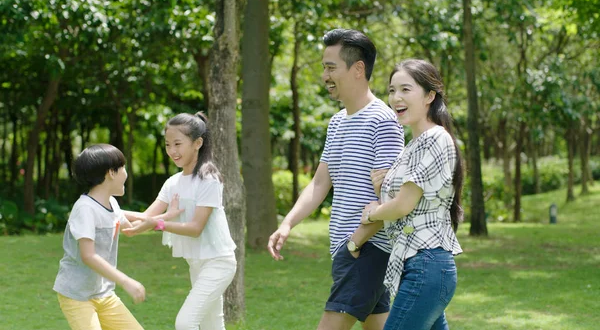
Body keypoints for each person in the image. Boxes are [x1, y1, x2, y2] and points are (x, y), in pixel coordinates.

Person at [268, 28, 405, 330]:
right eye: (323, 67)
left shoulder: (383, 121)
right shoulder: (338, 122)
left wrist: (355, 243)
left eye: (331, 67)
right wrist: (287, 223)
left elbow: (391, 196)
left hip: (368, 249)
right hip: (350, 250)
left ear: (358, 69)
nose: (325, 75)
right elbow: (319, 183)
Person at [360, 59, 464, 330]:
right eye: (392, 90)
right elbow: (399, 203)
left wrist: (371, 213)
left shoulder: (436, 138)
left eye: (406, 89)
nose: (396, 98)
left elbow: (403, 205)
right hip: (419, 266)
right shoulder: (413, 145)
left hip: (426, 265)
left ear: (430, 95)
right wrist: (381, 189)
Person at [122, 112, 237, 330]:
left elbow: (195, 228)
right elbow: (146, 217)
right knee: (212, 325)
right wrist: (109, 212)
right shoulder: (172, 182)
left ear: (197, 143)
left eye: (177, 144)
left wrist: (157, 224)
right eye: (167, 145)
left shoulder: (208, 179)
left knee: (185, 323)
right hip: (196, 263)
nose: (172, 151)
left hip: (218, 262)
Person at [53, 143, 180, 330]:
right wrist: (125, 281)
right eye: (123, 168)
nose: (126, 173)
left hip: (103, 294)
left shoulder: (111, 203)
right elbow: (88, 256)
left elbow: (133, 227)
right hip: (76, 295)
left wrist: (166, 217)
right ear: (111, 173)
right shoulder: (85, 209)